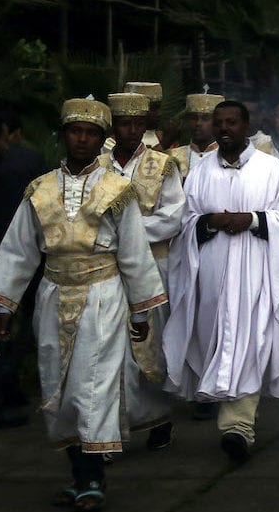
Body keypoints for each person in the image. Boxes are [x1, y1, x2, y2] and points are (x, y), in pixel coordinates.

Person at [0, 98, 166, 510]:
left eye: (90, 133)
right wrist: (4, 305)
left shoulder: (117, 189)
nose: (82, 138)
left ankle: (93, 478)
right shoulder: (40, 189)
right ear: (64, 136)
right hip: (53, 295)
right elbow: (18, 250)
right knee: (56, 386)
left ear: (100, 139)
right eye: (75, 131)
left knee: (94, 387)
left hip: (103, 296)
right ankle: (77, 473)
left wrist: (140, 310)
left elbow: (134, 253)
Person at [163, 100, 279, 464]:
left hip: (257, 272)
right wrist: (209, 221)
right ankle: (234, 418)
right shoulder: (199, 173)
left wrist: (256, 220)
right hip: (211, 275)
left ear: (247, 127)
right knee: (219, 340)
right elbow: (185, 221)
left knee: (251, 340)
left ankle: (238, 428)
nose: (225, 128)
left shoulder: (272, 170)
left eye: (232, 122)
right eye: (219, 123)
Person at [101, 92, 185, 451]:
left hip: (152, 265)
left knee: (149, 344)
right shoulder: (99, 165)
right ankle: (109, 427)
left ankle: (158, 416)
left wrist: (128, 234)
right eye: (124, 123)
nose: (132, 130)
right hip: (105, 268)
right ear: (114, 126)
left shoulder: (162, 164)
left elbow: (173, 216)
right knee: (108, 347)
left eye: (138, 123)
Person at [0, 100, 47, 429]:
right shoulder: (27, 161)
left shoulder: (14, 163)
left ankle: (8, 387)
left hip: (13, 257)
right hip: (26, 257)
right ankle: (8, 381)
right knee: (29, 323)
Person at [168, 92, 225, 179]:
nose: (198, 123)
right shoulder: (173, 156)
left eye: (205, 118)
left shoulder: (228, 157)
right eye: (194, 118)